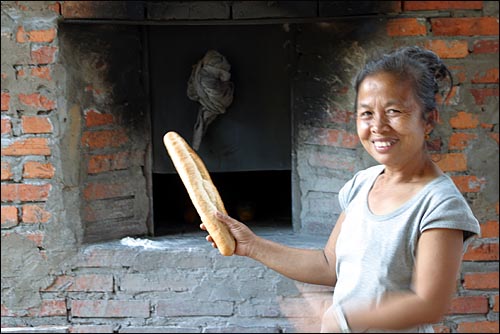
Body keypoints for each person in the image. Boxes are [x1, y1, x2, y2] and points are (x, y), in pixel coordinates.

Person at [200, 46, 481, 333]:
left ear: (429, 120)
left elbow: (429, 303)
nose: (378, 126)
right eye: (367, 113)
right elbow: (328, 263)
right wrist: (252, 246)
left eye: (394, 111)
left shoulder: (440, 204)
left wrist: (343, 319)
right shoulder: (362, 184)